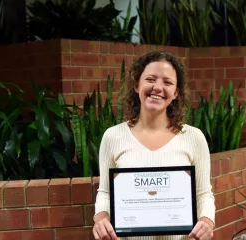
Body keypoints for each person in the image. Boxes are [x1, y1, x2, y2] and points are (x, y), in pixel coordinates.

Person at [92, 51, 216, 240]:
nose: (157, 87)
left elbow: (203, 194)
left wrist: (207, 222)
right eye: (150, 79)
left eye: (167, 82)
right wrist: (101, 219)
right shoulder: (113, 136)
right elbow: (106, 192)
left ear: (176, 93)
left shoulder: (193, 137)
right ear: (136, 85)